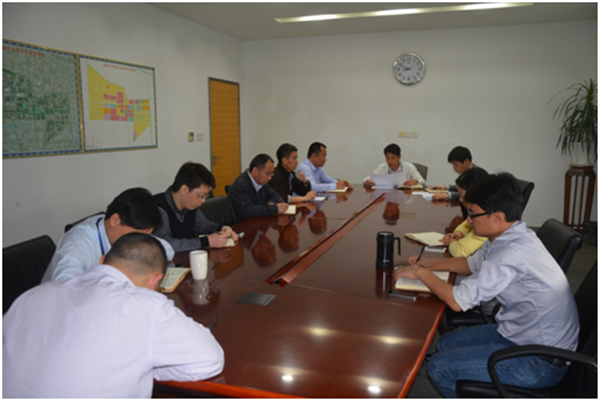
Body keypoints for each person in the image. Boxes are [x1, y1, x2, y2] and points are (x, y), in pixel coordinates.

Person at [394, 173, 579, 397]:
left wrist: (421, 274)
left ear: (497, 217)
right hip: (522, 332)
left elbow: (457, 301)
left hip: (539, 360)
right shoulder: (510, 236)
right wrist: (431, 264)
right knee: (446, 343)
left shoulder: (510, 253)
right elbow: (471, 264)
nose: (469, 220)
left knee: (439, 367)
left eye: (472, 213)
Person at [4, 233, 224, 397]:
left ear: (101, 261)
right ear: (155, 282)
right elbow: (210, 360)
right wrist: (144, 367)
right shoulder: (146, 305)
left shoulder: (32, 295)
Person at [42, 187, 175, 283]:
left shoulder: (123, 232)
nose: (138, 243)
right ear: (115, 220)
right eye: (135, 236)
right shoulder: (77, 243)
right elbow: (64, 287)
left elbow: (167, 250)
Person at [153, 162, 238, 252]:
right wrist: (205, 242)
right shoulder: (157, 208)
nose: (203, 200)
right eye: (201, 196)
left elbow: (204, 226)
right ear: (184, 190)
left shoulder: (190, 205)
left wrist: (222, 228)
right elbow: (165, 244)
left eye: (205, 196)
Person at [440, 167, 488, 257]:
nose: (460, 200)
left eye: (462, 195)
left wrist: (453, 241)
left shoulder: (487, 220)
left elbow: (459, 252)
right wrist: (458, 234)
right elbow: (466, 224)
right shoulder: (481, 211)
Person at [228, 153, 289, 222]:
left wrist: (271, 203)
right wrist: (274, 208)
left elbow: (276, 195)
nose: (270, 178)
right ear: (255, 170)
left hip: (258, 222)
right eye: (267, 174)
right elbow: (247, 211)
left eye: (271, 174)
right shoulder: (240, 185)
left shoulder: (262, 183)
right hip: (243, 225)